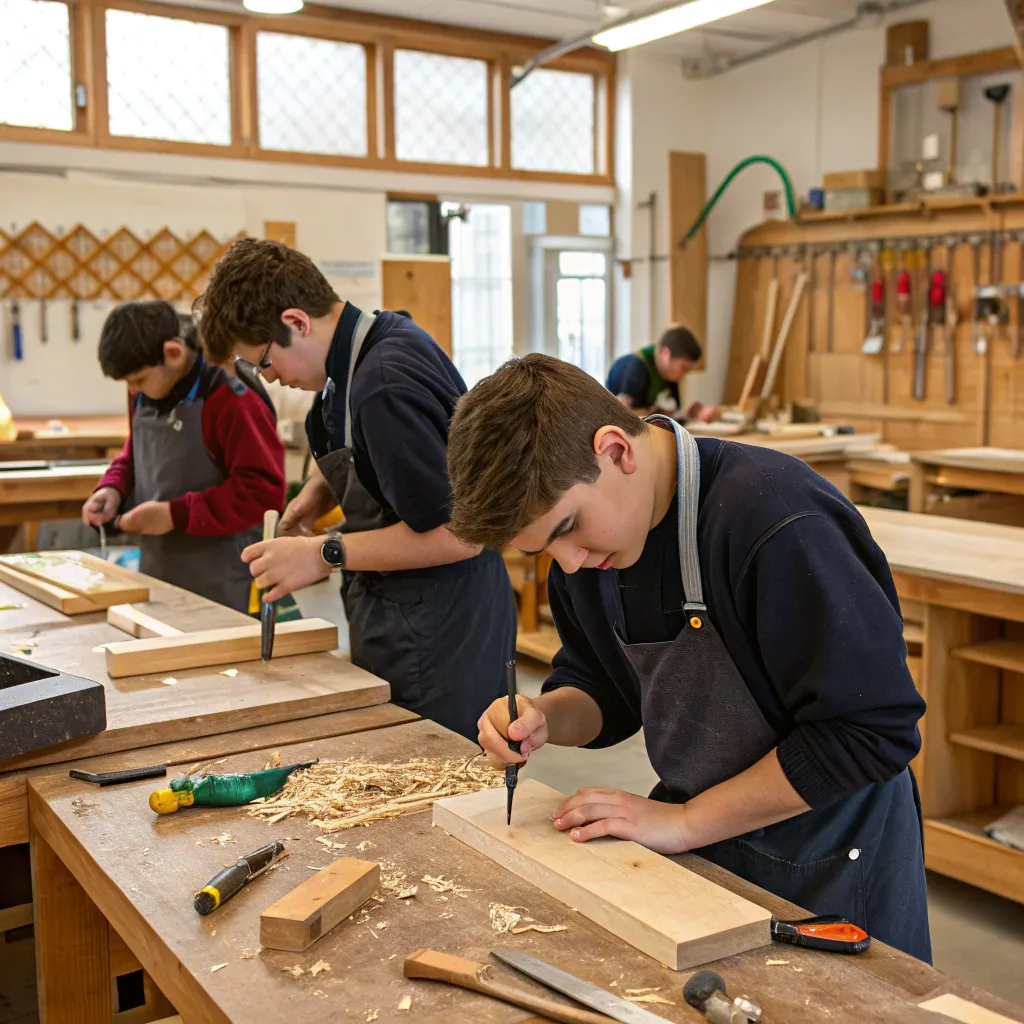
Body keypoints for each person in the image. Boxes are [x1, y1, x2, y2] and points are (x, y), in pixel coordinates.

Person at [445, 354, 931, 962]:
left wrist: (684, 822)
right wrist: (545, 713)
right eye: (544, 551)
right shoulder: (593, 550)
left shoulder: (775, 519)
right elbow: (605, 687)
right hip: (706, 839)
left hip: (830, 848)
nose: (567, 565)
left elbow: (869, 731)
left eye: (568, 530)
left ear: (616, 451)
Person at [194, 238, 516, 741]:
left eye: (264, 361)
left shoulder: (382, 383)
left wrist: (322, 553)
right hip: (405, 614)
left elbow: (462, 534)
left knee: (437, 785)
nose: (270, 379)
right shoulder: (367, 347)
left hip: (439, 633)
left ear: (297, 323)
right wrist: (316, 494)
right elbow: (374, 448)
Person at [82, 300, 285, 612]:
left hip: (226, 585)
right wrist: (113, 486)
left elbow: (262, 491)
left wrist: (175, 515)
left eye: (137, 381)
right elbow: (136, 449)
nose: (134, 391)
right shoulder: (145, 386)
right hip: (159, 574)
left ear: (173, 354)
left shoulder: (233, 397)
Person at [606, 325, 716, 421]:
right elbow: (625, 415)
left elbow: (671, 413)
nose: (683, 375)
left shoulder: (669, 375)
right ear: (665, 353)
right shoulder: (635, 367)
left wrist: (690, 414)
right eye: (683, 368)